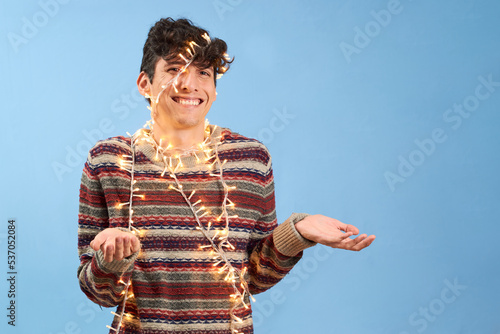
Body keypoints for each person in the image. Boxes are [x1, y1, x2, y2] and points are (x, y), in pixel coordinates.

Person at [77, 17, 375, 334]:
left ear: (215, 89)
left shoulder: (251, 159)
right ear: (145, 84)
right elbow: (99, 293)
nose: (189, 84)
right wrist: (111, 259)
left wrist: (299, 231)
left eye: (203, 73)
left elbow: (255, 277)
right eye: (174, 69)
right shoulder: (109, 160)